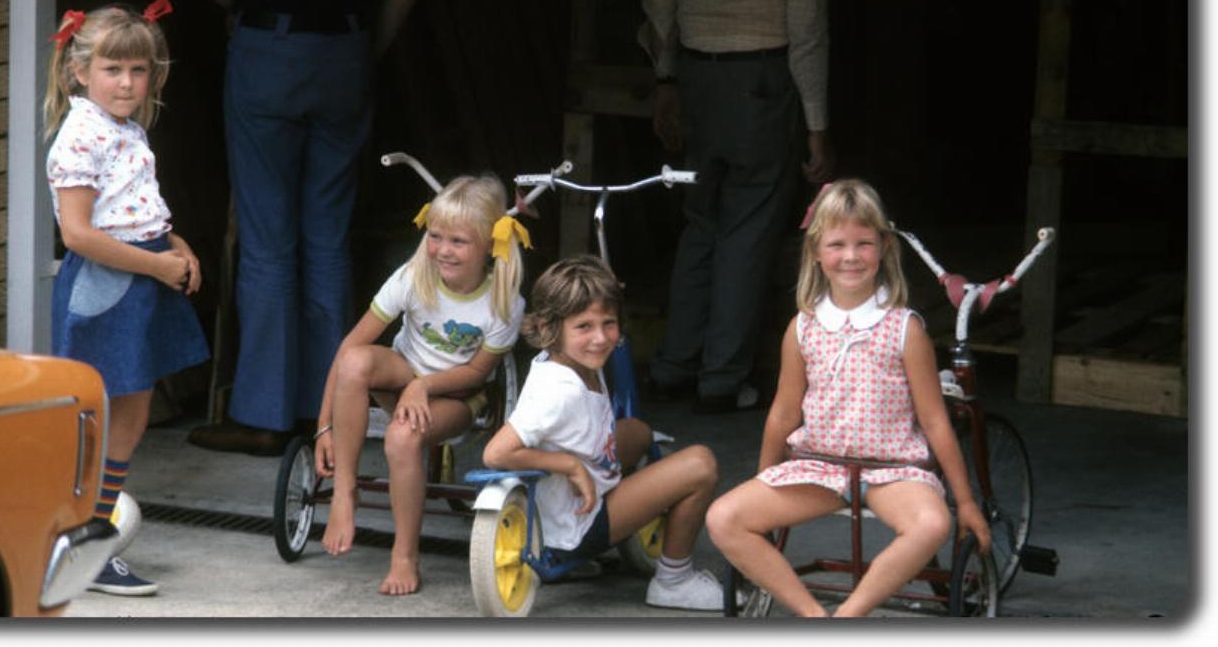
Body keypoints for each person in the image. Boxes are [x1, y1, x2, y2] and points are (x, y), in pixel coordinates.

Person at [190, 0, 419, 455]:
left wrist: (243, 15)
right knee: (327, 234)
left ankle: (262, 413)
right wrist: (364, 48)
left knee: (267, 237)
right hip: (344, 49)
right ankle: (330, 411)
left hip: (269, 46)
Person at [704, 180, 992, 617]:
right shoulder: (803, 327)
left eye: (864, 243)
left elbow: (935, 421)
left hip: (892, 470)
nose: (852, 256)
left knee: (932, 523)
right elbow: (783, 413)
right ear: (817, 252)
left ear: (884, 248)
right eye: (837, 244)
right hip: (819, 467)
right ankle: (815, 616)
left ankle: (849, 616)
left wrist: (966, 501)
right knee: (723, 517)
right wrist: (763, 478)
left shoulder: (904, 329)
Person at [639, 0, 837, 414]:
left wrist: (666, 76)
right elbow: (807, 25)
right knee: (749, 229)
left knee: (701, 224)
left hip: (696, 75)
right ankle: (722, 378)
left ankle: (673, 363)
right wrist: (817, 124)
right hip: (761, 81)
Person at [43, 0, 211, 596]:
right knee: (98, 417)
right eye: (114, 69)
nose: (127, 83)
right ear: (80, 71)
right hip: (108, 286)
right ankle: (73, 542)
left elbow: (137, 209)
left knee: (131, 414)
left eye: (139, 71)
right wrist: (159, 266)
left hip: (141, 277)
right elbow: (81, 234)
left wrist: (179, 246)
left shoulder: (126, 129)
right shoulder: (81, 136)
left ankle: (89, 535)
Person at [313, 174, 527, 595]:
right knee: (357, 360)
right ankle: (345, 492)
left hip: (456, 396)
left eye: (459, 242)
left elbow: (477, 374)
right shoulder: (414, 275)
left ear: (490, 245)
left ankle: (405, 554)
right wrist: (324, 427)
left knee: (402, 437)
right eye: (436, 236)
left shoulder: (503, 302)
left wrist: (423, 388)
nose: (443, 251)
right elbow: (348, 349)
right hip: (401, 373)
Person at [483, 255, 726, 611]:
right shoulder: (558, 391)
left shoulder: (569, 357)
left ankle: (630, 487)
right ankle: (674, 580)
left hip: (584, 488)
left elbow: (595, 321)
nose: (600, 338)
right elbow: (496, 454)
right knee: (701, 465)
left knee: (637, 432)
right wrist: (569, 465)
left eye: (609, 323)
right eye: (584, 327)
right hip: (577, 525)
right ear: (551, 327)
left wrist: (604, 286)